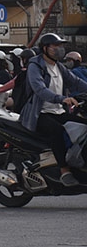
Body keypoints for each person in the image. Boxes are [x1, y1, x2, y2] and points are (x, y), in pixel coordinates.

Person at [22, 33, 87, 186]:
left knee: (83, 125)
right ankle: (65, 171)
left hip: (58, 111)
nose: (60, 49)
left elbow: (76, 82)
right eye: (56, 46)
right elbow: (40, 89)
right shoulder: (35, 66)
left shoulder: (59, 66)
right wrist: (61, 99)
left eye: (61, 46)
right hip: (40, 114)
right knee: (57, 131)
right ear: (45, 48)